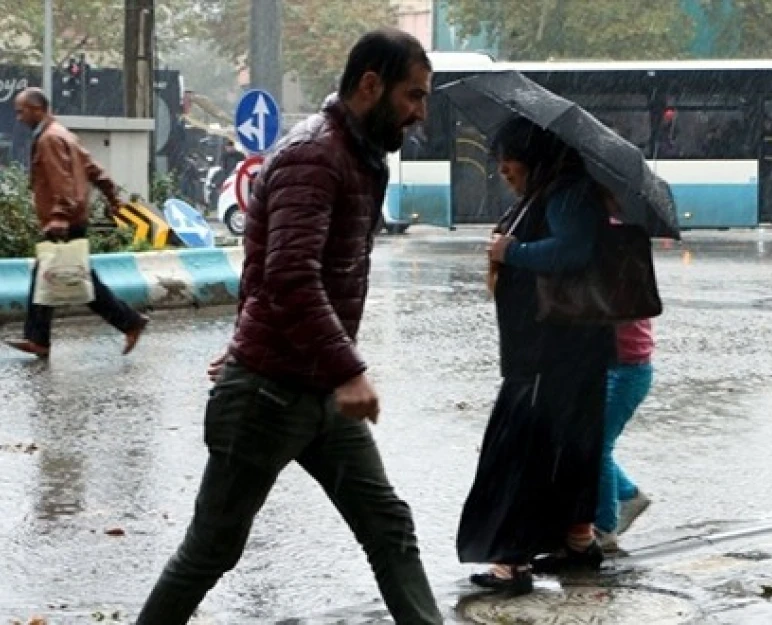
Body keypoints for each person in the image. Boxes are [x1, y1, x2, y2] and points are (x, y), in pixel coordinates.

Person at [135, 29, 442, 624]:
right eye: (413, 96)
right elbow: (290, 277)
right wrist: (346, 369)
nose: (419, 113)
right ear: (370, 85)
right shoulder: (314, 156)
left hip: (316, 386)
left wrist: (255, 340)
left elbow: (266, 268)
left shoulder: (357, 155)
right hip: (270, 396)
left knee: (388, 525)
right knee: (211, 550)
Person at [458, 116, 615, 596]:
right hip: (566, 349)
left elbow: (572, 251)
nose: (504, 171)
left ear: (533, 158)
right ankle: (577, 543)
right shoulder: (555, 190)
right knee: (571, 447)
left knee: (519, 452)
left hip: (550, 353)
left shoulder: (566, 191)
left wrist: (514, 251)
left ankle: (511, 563)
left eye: (510, 163)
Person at [4, 87, 148, 359]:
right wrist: (111, 196)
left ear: (37, 109)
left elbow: (62, 181)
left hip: (64, 221)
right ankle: (38, 339)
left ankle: (129, 322)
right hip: (73, 217)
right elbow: (93, 169)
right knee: (51, 277)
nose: (19, 117)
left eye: (21, 111)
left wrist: (59, 215)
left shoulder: (49, 138)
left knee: (70, 279)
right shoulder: (64, 134)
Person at [594, 315, 655, 552]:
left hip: (628, 370)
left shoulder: (623, 280)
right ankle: (628, 494)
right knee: (585, 443)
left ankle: (605, 527)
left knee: (598, 445)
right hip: (610, 366)